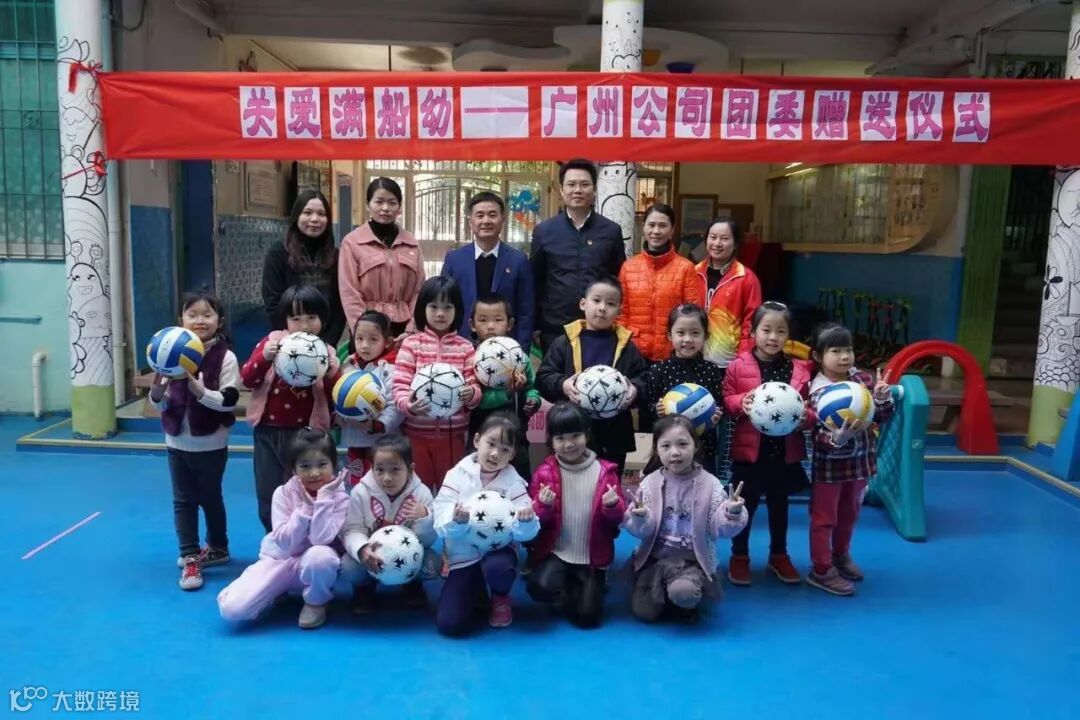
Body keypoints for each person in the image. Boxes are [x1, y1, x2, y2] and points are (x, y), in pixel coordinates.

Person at [148, 290, 239, 591]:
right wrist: (156, 394)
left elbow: (229, 401)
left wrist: (201, 392)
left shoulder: (225, 357)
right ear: (181, 320)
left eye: (207, 314)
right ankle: (190, 556)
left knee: (211, 497)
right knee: (183, 499)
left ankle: (218, 547)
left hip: (212, 441)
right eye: (192, 314)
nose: (200, 320)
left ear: (219, 321)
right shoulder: (168, 351)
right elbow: (160, 400)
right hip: (176, 440)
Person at [217, 428, 350, 630]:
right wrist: (304, 510)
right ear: (293, 469)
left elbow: (320, 539)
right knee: (232, 610)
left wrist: (323, 500)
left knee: (322, 556)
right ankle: (274, 589)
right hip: (279, 561)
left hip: (312, 566)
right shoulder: (282, 493)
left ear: (334, 464)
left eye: (322, 464)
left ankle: (316, 601)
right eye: (305, 466)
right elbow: (284, 543)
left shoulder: (341, 499)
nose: (314, 473)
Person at [721, 301, 813, 587]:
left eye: (780, 331)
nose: (773, 337)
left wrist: (805, 418)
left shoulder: (800, 370)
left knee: (780, 506)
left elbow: (810, 409)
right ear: (753, 332)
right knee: (743, 505)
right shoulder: (737, 366)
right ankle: (739, 556)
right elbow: (726, 399)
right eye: (766, 330)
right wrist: (741, 402)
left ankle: (779, 554)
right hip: (749, 453)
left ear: (788, 335)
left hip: (784, 453)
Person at [623, 415, 748, 623]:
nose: (675, 452)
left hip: (692, 561)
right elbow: (642, 530)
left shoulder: (711, 484)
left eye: (683, 444)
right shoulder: (650, 483)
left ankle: (685, 598)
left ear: (695, 446)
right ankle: (667, 593)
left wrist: (731, 513)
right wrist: (640, 517)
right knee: (644, 612)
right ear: (656, 450)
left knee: (684, 593)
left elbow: (719, 528)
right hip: (656, 559)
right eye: (666, 446)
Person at [241, 285, 340, 532]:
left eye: (311, 317)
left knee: (307, 491)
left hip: (306, 437)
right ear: (284, 320)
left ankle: (309, 538)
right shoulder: (272, 343)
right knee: (268, 491)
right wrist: (264, 357)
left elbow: (335, 398)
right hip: (268, 431)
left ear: (323, 319)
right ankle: (275, 537)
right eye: (296, 318)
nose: (304, 325)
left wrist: (332, 375)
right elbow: (247, 379)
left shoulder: (326, 352)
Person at [806, 323, 895, 596]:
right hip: (829, 469)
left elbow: (880, 418)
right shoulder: (817, 392)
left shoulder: (863, 380)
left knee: (850, 514)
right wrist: (836, 439)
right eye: (835, 351)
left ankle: (840, 555)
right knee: (824, 518)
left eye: (849, 350)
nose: (845, 356)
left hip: (859, 465)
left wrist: (881, 400)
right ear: (818, 356)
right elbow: (814, 433)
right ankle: (821, 569)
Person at [432, 414, 540, 635]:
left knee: (498, 568)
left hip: (499, 551)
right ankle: (476, 587)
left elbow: (528, 531)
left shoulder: (514, 481)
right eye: (491, 444)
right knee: (450, 624)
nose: (495, 454)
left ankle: (500, 597)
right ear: (476, 441)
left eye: (505, 449)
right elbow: (439, 518)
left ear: (513, 454)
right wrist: (457, 521)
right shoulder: (456, 475)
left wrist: (525, 522)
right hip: (463, 553)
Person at [536, 276, 647, 478]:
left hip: (614, 433)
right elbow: (543, 377)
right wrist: (563, 385)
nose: (602, 308)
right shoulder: (564, 342)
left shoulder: (627, 347)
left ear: (619, 310)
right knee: (568, 482)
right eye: (596, 301)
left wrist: (635, 389)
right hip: (571, 430)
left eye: (611, 304)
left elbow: (644, 378)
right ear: (583, 303)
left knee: (608, 483)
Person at [527, 402, 625, 628]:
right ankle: (569, 582)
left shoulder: (606, 472)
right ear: (551, 441)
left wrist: (613, 506)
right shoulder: (544, 472)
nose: (569, 444)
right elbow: (534, 521)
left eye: (575, 436)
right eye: (560, 438)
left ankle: (588, 582)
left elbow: (618, 520)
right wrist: (543, 506)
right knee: (538, 587)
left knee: (588, 618)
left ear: (587, 435)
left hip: (592, 557)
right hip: (558, 551)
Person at [392, 276, 482, 491]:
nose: (440, 313)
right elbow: (399, 387)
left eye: (447, 307)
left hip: (454, 437)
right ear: (422, 308)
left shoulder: (466, 348)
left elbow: (475, 386)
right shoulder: (411, 345)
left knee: (450, 491)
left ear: (457, 310)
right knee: (417, 490)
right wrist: (408, 405)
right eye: (433, 306)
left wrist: (472, 394)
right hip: (416, 435)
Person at [531, 158, 625, 350]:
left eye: (584, 184)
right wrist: (535, 324)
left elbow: (617, 278)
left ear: (594, 189)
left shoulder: (611, 231)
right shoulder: (544, 231)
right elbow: (535, 280)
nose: (578, 190)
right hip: (555, 328)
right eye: (571, 184)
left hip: (599, 325)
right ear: (561, 190)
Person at [339, 435, 437, 612]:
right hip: (373, 556)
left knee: (432, 564)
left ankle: (412, 585)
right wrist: (362, 549)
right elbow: (353, 529)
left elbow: (428, 541)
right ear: (372, 468)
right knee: (348, 566)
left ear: (411, 469)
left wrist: (424, 518)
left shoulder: (421, 494)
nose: (387, 478)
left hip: (408, 558)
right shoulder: (360, 492)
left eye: (395, 470)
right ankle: (364, 590)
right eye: (380, 470)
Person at [441, 191, 534, 349]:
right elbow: (445, 303)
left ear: (502, 220)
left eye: (492, 215)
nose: (486, 221)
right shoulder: (454, 260)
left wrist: (521, 351)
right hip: (461, 346)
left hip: (506, 348)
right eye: (480, 215)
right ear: (471, 221)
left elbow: (526, 311)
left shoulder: (518, 260)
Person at [642, 304, 726, 474]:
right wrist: (656, 409)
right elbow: (647, 405)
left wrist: (716, 415)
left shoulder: (712, 370)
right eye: (681, 333)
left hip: (703, 446)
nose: (687, 339)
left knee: (703, 487)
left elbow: (719, 403)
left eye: (695, 333)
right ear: (670, 335)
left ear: (706, 336)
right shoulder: (659, 370)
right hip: (670, 447)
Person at [466, 293, 541, 482]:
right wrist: (507, 392)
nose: (491, 326)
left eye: (498, 320)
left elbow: (531, 386)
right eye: (483, 320)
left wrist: (532, 399)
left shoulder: (519, 356)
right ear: (472, 325)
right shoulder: (470, 357)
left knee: (519, 480)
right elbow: (476, 400)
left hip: (516, 434)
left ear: (510, 323)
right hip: (482, 433)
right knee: (478, 480)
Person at [338, 177, 425, 340]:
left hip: (404, 330)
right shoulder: (352, 243)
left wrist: (411, 330)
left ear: (399, 207)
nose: (385, 208)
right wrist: (363, 333)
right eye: (379, 202)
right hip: (367, 328)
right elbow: (349, 292)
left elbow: (419, 291)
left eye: (392, 203)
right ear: (368, 205)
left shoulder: (411, 243)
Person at [261, 190, 346, 345]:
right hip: (288, 342)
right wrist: (289, 341)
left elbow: (340, 307)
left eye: (321, 214)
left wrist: (327, 343)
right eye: (307, 213)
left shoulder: (336, 256)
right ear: (296, 216)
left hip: (326, 342)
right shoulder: (278, 253)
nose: (315, 219)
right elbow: (273, 303)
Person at [617, 204, 698, 363]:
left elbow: (693, 313)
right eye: (651, 225)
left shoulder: (686, 268)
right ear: (644, 227)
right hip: (634, 353)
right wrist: (624, 345)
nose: (656, 231)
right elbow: (622, 314)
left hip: (673, 353)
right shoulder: (628, 267)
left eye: (662, 225)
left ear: (672, 230)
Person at [338, 310, 403, 485]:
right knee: (357, 483)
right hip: (354, 441)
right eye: (359, 339)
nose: (365, 345)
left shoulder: (390, 370)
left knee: (381, 482)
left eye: (373, 339)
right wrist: (338, 416)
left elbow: (394, 405)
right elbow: (338, 397)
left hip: (383, 443)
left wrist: (378, 424)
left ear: (387, 342)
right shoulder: (348, 367)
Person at [693, 218, 762, 369]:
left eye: (724, 238)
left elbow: (751, 323)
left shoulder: (746, 278)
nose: (717, 243)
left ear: (735, 243)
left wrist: (743, 358)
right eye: (713, 237)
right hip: (693, 355)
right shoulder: (693, 273)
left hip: (728, 360)